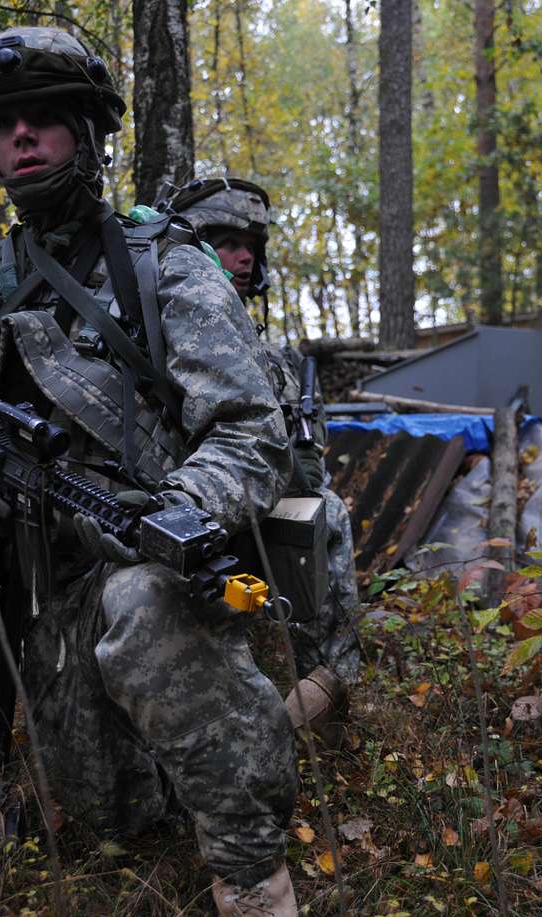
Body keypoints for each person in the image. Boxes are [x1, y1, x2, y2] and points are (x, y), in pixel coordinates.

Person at [0, 29, 304, 917]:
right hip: (44, 604)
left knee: (148, 603)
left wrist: (173, 516)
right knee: (112, 817)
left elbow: (249, 427)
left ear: (86, 132)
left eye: (44, 120)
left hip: (144, 566)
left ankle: (254, 895)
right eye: (4, 127)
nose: (24, 139)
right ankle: (180, 745)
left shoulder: (167, 270)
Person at [158, 178, 360, 736]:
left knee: (325, 512)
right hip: (184, 512)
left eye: (252, 245)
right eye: (225, 242)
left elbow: (305, 460)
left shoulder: (272, 353)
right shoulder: (160, 335)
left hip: (261, 511)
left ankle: (325, 680)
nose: (244, 257)